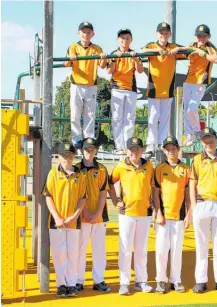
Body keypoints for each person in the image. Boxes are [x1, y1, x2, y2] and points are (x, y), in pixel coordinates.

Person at [189, 127, 217, 294]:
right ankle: (201, 281)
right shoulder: (197, 160)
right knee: (201, 245)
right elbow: (192, 184)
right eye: (204, 139)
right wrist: (194, 207)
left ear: (216, 139)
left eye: (210, 139)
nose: (207, 142)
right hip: (202, 203)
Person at [109, 137, 154, 295]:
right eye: (131, 149)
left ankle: (141, 281)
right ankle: (124, 282)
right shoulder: (120, 167)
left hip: (144, 213)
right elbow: (109, 183)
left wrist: (153, 204)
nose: (134, 152)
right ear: (126, 151)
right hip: (126, 213)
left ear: (142, 150)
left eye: (137, 149)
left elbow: (154, 186)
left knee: (142, 249)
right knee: (125, 249)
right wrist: (115, 201)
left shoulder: (149, 167)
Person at [42, 143, 86, 297]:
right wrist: (57, 217)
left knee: (73, 254)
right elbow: (48, 197)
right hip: (57, 222)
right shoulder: (53, 174)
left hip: (74, 222)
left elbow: (82, 199)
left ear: (74, 157)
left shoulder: (80, 175)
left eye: (70, 156)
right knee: (59, 254)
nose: (67, 159)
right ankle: (61, 284)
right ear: (59, 156)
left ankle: (72, 284)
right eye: (64, 156)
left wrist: (74, 216)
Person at [152, 136, 191, 293]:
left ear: (178, 149)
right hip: (163, 217)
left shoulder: (186, 169)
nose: (170, 151)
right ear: (164, 150)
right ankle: (161, 280)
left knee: (176, 250)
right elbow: (155, 193)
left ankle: (176, 280)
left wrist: (189, 215)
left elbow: (188, 195)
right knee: (161, 249)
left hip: (179, 216)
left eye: (173, 148)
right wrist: (158, 213)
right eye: (167, 149)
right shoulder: (159, 169)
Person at [142, 22, 186, 155]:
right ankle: (151, 143)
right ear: (157, 34)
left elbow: (188, 50)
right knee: (153, 117)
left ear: (170, 34)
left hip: (168, 88)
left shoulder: (173, 46)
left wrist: (177, 50)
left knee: (165, 118)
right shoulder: (151, 45)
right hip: (154, 87)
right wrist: (158, 51)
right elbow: (142, 51)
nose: (164, 35)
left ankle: (162, 142)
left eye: (166, 33)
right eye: (161, 33)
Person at [64, 21, 107, 148]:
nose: (86, 34)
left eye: (88, 32)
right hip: (77, 84)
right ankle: (76, 139)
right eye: (83, 32)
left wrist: (103, 58)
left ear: (92, 34)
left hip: (91, 85)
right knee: (75, 113)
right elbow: (66, 64)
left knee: (90, 114)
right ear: (79, 33)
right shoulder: (73, 47)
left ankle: (88, 138)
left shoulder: (97, 48)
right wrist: (69, 57)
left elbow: (103, 66)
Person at [75, 138, 110, 293]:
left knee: (99, 249)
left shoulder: (102, 169)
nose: (90, 153)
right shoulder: (76, 168)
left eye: (92, 150)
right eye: (87, 150)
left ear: (96, 150)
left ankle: (99, 280)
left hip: (99, 217)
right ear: (81, 151)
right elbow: (75, 194)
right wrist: (85, 212)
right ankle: (78, 280)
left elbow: (103, 193)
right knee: (80, 249)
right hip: (81, 216)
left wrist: (96, 214)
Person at [107, 28, 144, 154]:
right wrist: (113, 59)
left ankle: (128, 144)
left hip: (131, 89)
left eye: (127, 38)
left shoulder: (134, 53)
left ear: (131, 40)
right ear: (118, 40)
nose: (125, 40)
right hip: (117, 88)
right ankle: (119, 146)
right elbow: (109, 71)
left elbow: (140, 70)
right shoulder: (114, 53)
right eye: (122, 38)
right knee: (117, 118)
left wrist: (135, 59)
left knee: (129, 118)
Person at [183, 24, 217, 146]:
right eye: (199, 36)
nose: (201, 38)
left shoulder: (209, 47)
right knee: (186, 109)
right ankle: (189, 135)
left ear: (208, 36)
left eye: (204, 36)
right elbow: (185, 53)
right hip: (188, 80)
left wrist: (202, 53)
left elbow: (215, 59)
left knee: (192, 108)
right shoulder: (192, 45)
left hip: (200, 82)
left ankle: (197, 130)